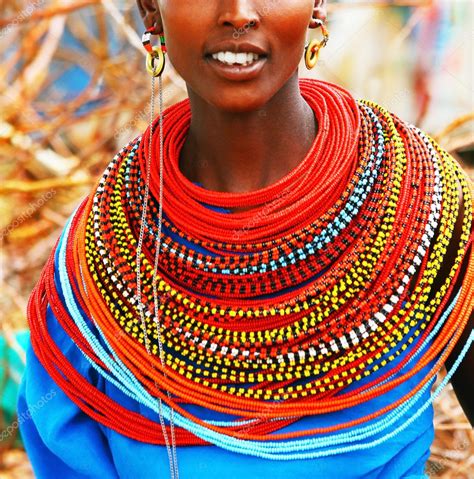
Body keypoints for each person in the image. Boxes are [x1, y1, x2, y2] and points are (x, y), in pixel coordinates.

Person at [17, 1, 473, 478]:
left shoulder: (420, 209)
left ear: (316, 4)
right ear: (151, 9)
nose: (238, 13)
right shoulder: (98, 263)